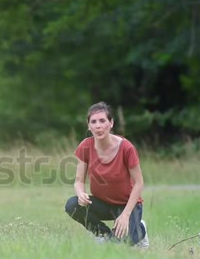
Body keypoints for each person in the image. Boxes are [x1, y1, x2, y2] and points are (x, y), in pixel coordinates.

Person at [64, 101, 149, 248]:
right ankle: (103, 235)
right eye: (94, 122)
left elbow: (139, 183)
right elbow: (78, 181)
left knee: (125, 244)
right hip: (103, 203)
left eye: (102, 121)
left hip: (128, 205)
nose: (98, 125)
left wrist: (126, 214)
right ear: (88, 126)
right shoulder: (85, 146)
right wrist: (80, 194)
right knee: (72, 205)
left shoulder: (126, 148)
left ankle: (140, 228)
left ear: (111, 123)